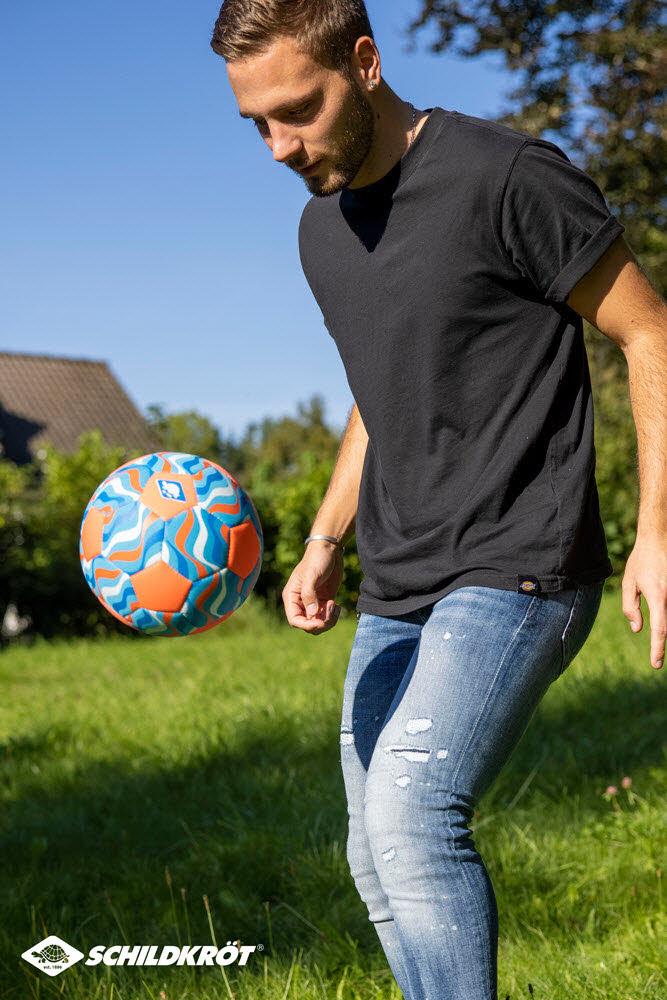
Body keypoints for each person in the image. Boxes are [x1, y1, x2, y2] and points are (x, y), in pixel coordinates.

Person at [211, 2, 667, 997]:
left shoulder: (505, 176)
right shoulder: (319, 230)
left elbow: (649, 334)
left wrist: (657, 535)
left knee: (412, 813)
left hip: (520, 565)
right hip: (397, 582)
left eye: (297, 110)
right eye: (256, 123)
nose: (278, 147)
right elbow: (379, 394)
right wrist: (326, 537)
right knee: (374, 856)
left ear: (364, 63)